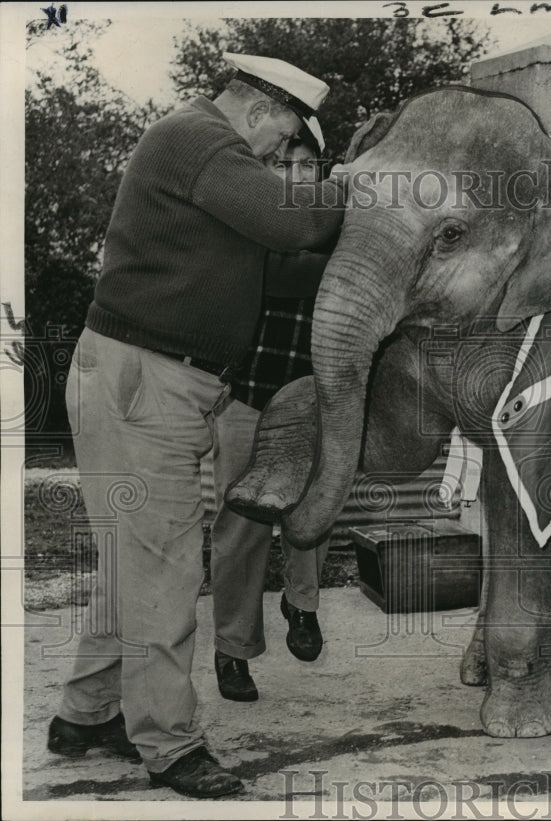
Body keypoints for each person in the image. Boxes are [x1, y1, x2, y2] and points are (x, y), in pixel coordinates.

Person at [47, 52, 344, 798]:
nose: (281, 158)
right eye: (283, 142)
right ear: (260, 108)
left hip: (152, 378)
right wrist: (364, 182)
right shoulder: (198, 138)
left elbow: (283, 267)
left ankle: (86, 717)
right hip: (145, 377)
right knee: (167, 566)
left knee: (137, 557)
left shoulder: (209, 160)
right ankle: (171, 746)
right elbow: (296, 221)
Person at [211, 127, 332, 703]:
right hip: (249, 394)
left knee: (312, 511)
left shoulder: (337, 226)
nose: (297, 177)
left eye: (308, 167)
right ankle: (233, 652)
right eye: (285, 166)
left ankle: (301, 603)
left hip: (314, 397)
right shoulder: (249, 226)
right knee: (242, 526)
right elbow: (281, 278)